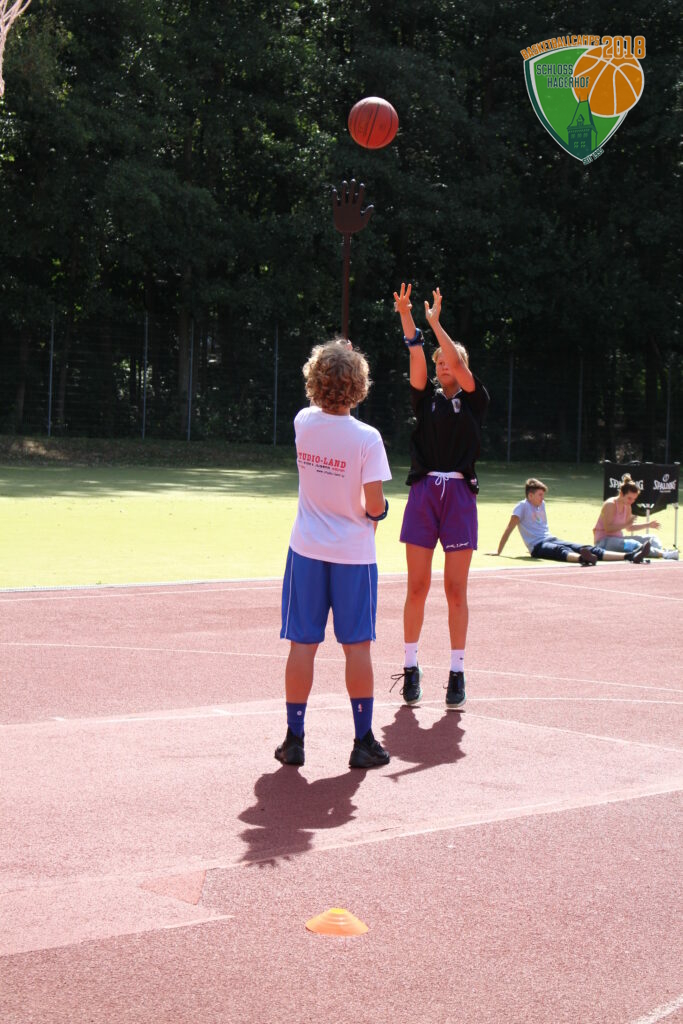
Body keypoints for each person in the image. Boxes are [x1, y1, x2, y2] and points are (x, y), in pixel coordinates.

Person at [275, 339, 393, 770]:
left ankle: (294, 740)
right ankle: (363, 741)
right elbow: (375, 504)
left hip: (306, 549)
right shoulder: (368, 438)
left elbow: (319, 410)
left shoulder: (303, 422)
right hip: (353, 554)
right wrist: (380, 511)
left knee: (302, 644)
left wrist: (333, 356)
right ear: (359, 385)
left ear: (315, 380)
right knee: (357, 647)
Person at [391, 282, 489, 711]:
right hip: (425, 493)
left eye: (449, 359)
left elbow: (458, 364)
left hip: (460, 496)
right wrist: (407, 316)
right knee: (417, 586)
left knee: (455, 589)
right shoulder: (425, 399)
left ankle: (457, 672)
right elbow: (416, 355)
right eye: (439, 361)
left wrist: (435, 323)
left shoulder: (475, 399)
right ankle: (411, 666)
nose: (442, 364)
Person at [491, 478, 651, 564]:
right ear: (530, 495)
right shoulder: (521, 507)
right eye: (540, 495)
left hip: (550, 538)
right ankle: (583, 559)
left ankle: (629, 556)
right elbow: (509, 529)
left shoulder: (542, 505)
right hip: (537, 546)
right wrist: (498, 552)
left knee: (583, 547)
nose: (542, 497)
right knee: (559, 550)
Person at [593, 474, 678, 559]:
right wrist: (626, 524)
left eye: (634, 499)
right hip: (604, 542)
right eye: (629, 498)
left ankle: (658, 552)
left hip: (619, 539)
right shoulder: (610, 504)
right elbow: (608, 528)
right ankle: (664, 554)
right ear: (621, 493)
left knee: (652, 538)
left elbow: (629, 528)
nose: (632, 501)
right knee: (632, 544)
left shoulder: (627, 506)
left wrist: (648, 525)